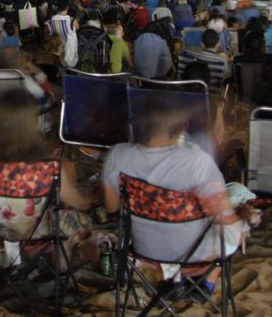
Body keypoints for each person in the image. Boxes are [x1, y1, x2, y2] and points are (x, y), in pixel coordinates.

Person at [102, 96, 259, 280]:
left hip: (145, 253)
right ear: (183, 127)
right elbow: (223, 217)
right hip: (194, 259)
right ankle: (207, 282)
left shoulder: (118, 155)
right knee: (242, 220)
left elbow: (111, 207)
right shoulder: (198, 161)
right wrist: (244, 218)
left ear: (142, 124)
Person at [0, 88, 102, 268]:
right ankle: (61, 267)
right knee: (75, 218)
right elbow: (78, 203)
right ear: (32, 123)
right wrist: (88, 198)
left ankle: (13, 255)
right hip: (35, 229)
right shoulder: (48, 166)